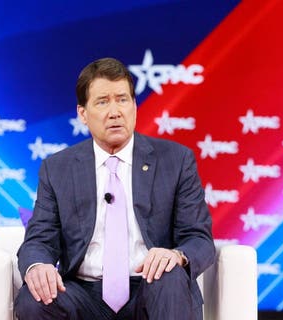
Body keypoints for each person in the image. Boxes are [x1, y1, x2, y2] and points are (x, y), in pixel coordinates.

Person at [14, 57, 215, 319]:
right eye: (102, 102)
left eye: (122, 100)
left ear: (134, 106)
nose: (115, 111)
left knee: (170, 276)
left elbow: (200, 239)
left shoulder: (175, 161)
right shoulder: (58, 168)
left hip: (152, 289)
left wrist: (176, 255)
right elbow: (39, 239)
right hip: (82, 293)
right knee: (34, 297)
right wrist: (38, 266)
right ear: (83, 114)